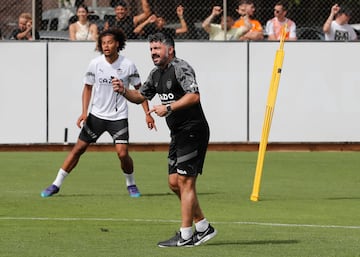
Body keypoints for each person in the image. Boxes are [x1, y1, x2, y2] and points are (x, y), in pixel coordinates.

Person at [111, 32, 217, 247]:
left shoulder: (180, 67)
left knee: (185, 182)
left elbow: (194, 95)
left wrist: (168, 107)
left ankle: (186, 235)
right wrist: (123, 90)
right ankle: (203, 226)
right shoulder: (156, 74)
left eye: (157, 49)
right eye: (151, 50)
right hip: (177, 133)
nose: (153, 53)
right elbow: (141, 96)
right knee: (173, 183)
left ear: (170, 49)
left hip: (193, 130)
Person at [40, 28, 156, 198]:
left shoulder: (128, 65)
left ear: (117, 44)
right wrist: (83, 112)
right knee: (78, 149)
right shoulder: (95, 64)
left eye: (109, 42)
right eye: (103, 43)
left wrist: (147, 113)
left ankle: (131, 184)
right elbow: (87, 88)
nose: (106, 46)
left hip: (118, 117)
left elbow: (140, 91)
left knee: (123, 153)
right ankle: (56, 184)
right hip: (96, 116)